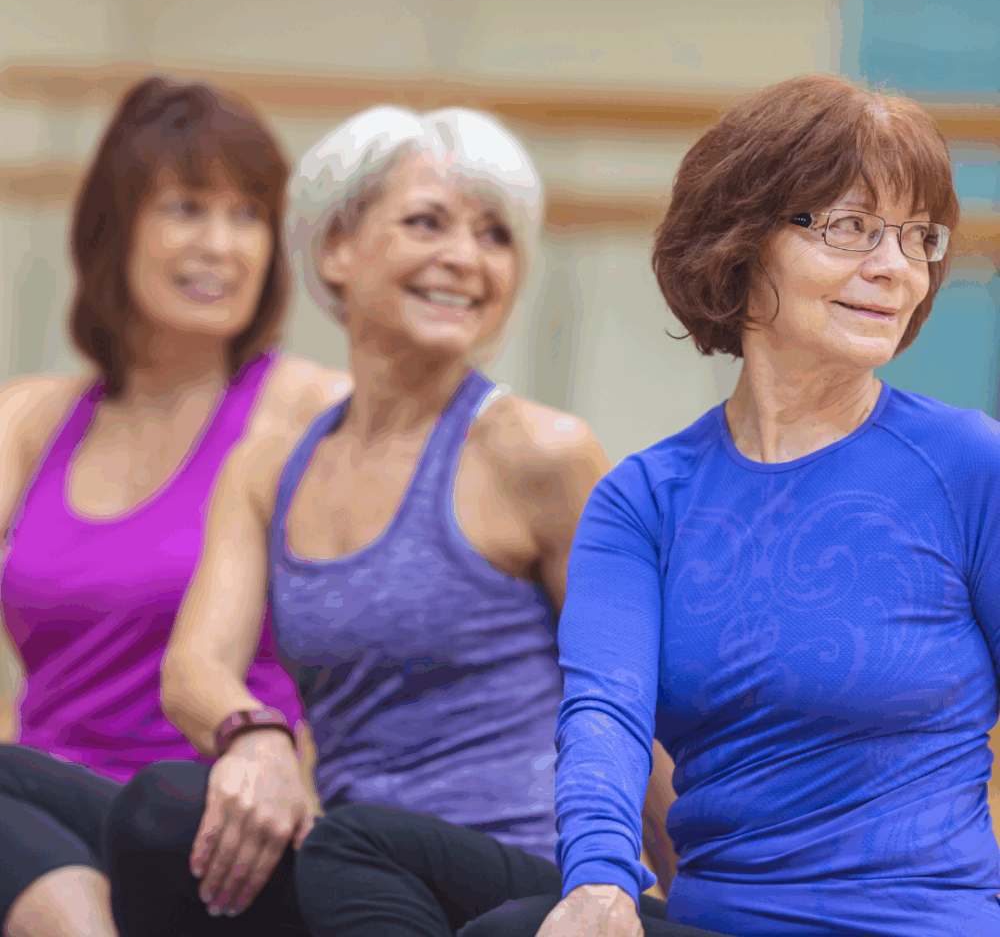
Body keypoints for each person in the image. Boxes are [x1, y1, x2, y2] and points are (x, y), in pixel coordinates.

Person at [102, 105, 714, 937]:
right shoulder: (270, 467)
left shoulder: (539, 453)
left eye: (495, 235)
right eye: (427, 223)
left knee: (357, 840)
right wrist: (257, 739)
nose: (464, 258)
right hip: (354, 879)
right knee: (159, 811)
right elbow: (194, 672)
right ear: (335, 249)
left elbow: (639, 705)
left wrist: (699, 900)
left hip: (518, 880)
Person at [462, 71, 1000, 937]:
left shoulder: (971, 464)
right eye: (850, 226)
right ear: (742, 242)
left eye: (917, 236)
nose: (894, 267)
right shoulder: (644, 500)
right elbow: (605, 711)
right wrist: (599, 877)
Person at [0, 77, 351, 937]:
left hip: (215, 815)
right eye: (187, 208)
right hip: (32, 816)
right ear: (114, 229)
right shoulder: (31, 418)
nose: (221, 246)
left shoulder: (313, 409)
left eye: (248, 215)